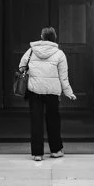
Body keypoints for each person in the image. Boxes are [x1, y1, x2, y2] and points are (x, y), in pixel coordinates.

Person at [18, 26, 76, 162]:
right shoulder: (59, 54)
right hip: (52, 93)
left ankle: (37, 153)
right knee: (53, 121)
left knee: (36, 121)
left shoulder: (31, 51)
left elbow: (21, 67)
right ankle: (56, 150)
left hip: (34, 91)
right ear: (54, 38)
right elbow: (63, 77)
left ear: (42, 37)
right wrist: (69, 93)